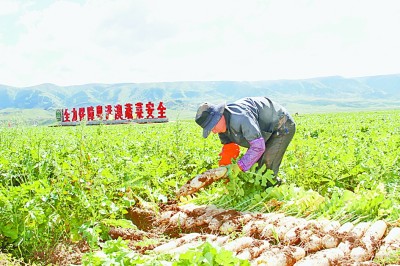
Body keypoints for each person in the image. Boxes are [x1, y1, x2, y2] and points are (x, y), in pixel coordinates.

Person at [195, 96, 296, 184]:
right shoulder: (222, 128)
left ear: (219, 116)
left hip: (281, 125)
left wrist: (238, 167)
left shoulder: (241, 117)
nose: (213, 131)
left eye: (212, 126)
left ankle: (279, 191)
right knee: (255, 168)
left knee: (266, 168)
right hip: (264, 132)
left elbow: (258, 147)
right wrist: (225, 172)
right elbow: (229, 149)